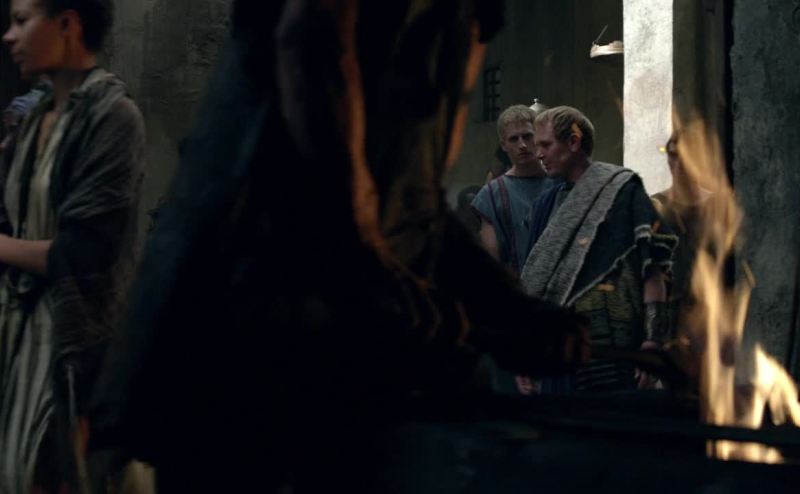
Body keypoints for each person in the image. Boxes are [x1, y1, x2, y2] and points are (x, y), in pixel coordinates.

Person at [87, 2, 589, 491]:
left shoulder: (451, 29)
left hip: (348, 375)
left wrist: (509, 309)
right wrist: (369, 256)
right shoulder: (322, 36)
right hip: (247, 347)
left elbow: (415, 205)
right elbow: (308, 40)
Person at [0, 0, 145, 490]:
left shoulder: (113, 117)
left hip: (72, 343)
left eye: (22, 21)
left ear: (67, 25)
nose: (9, 36)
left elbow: (80, 253)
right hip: (17, 327)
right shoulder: (33, 118)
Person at [520, 106, 677, 393]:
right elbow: (536, 285)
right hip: (560, 357)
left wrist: (653, 341)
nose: (538, 154)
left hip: (617, 354)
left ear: (573, 142)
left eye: (546, 145)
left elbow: (653, 270)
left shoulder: (624, 192)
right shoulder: (543, 207)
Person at [472, 103, 555, 275]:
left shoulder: (559, 183)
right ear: (503, 145)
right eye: (514, 139)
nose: (522, 145)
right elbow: (492, 261)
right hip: (518, 285)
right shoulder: (491, 195)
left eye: (528, 136)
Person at [651, 132, 711, 341]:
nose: (678, 164)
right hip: (670, 316)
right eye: (673, 155)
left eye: (685, 156)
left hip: (711, 312)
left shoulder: (718, 206)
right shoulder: (655, 206)